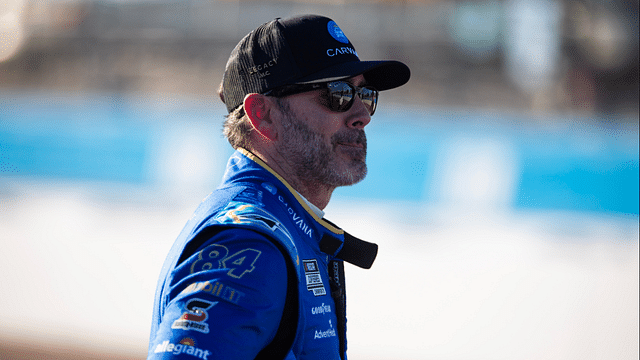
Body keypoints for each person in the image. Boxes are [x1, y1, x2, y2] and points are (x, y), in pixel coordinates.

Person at [147, 14, 410, 360]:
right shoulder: (248, 244)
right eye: (339, 93)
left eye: (365, 94)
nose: (363, 113)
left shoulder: (286, 228)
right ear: (264, 115)